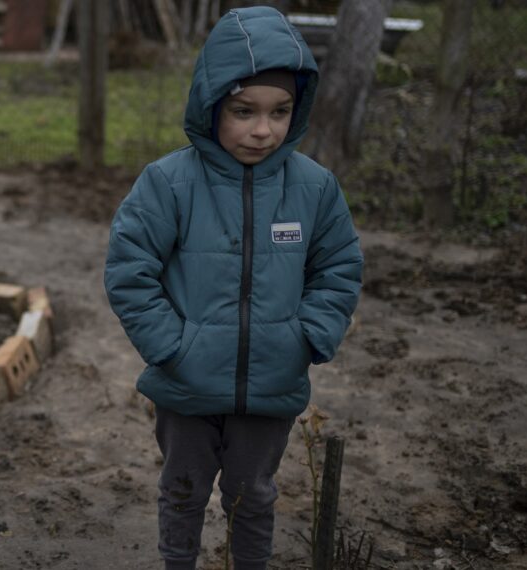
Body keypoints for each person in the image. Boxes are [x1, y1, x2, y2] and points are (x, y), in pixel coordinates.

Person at [103, 6, 363, 570]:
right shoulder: (169, 182)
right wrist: (172, 347)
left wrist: (306, 337)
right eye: (244, 111)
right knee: (183, 490)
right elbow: (129, 267)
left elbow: (338, 267)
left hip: (271, 385)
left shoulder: (315, 189)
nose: (263, 129)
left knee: (254, 496)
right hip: (187, 387)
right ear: (211, 104)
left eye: (280, 111)